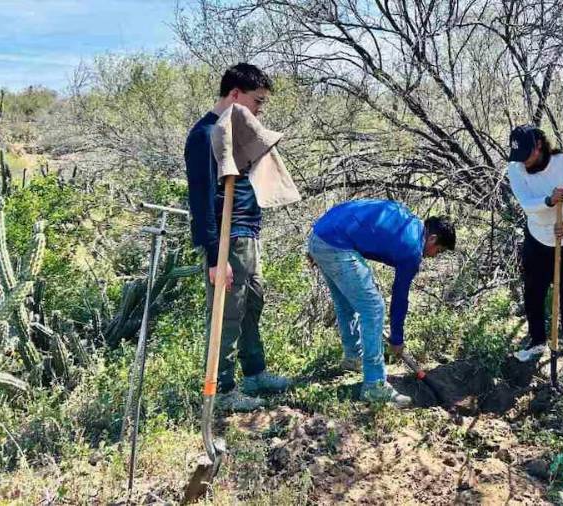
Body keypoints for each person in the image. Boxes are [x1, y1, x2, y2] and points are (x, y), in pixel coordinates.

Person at [184, 63, 291, 412]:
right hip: (228, 240)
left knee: (251, 306)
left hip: (248, 235)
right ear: (234, 94)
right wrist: (216, 255)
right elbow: (201, 202)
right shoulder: (205, 135)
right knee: (227, 314)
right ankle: (224, 390)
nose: (260, 109)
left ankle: (255, 374)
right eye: (257, 100)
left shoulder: (236, 133)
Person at [307, 199, 455, 407]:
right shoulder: (412, 249)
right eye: (438, 251)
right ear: (432, 239)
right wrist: (397, 339)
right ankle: (374, 385)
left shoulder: (408, 221)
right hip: (334, 243)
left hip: (320, 235)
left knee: (346, 302)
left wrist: (318, 245)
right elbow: (400, 297)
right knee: (373, 308)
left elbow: (350, 212)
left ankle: (353, 358)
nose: (433, 256)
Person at [507, 124, 563, 387]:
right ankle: (537, 341)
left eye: (526, 155)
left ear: (539, 146)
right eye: (518, 156)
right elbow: (525, 203)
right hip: (538, 237)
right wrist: (548, 200)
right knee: (533, 291)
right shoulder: (515, 167)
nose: (522, 162)